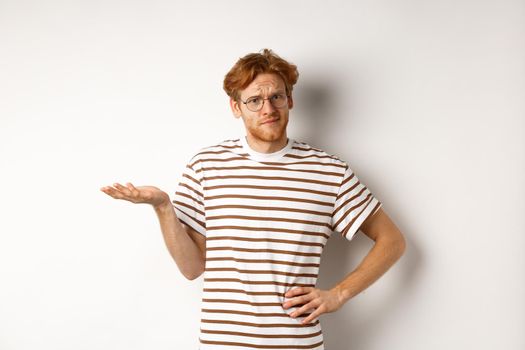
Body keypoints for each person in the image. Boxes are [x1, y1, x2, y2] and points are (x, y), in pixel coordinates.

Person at [100, 48, 406, 350]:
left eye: (276, 97)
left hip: (297, 345)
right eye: (254, 100)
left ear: (290, 100)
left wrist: (338, 294)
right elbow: (192, 267)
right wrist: (164, 207)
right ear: (236, 107)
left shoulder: (329, 172)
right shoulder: (207, 167)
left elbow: (392, 241)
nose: (268, 110)